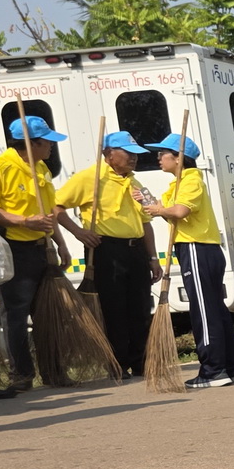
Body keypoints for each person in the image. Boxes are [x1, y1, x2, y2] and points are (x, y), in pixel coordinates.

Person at [141, 133, 234, 389]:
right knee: (215, 309)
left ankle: (213, 370)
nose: (158, 157)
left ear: (179, 158)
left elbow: (180, 211)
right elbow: (175, 217)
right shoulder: (177, 185)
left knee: (204, 311)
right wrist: (152, 204)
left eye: (163, 153)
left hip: (197, 249)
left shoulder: (190, 180)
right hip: (197, 248)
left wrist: (157, 209)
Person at [53, 130, 161, 378]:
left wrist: (152, 257)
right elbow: (56, 207)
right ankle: (117, 363)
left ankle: (141, 361)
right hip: (106, 249)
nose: (134, 159)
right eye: (128, 153)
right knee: (113, 309)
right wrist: (78, 231)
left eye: (136, 154)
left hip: (136, 250)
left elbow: (146, 222)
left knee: (141, 307)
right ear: (109, 154)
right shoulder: (90, 179)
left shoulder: (134, 182)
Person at [0, 115, 69, 390]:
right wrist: (25, 221)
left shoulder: (42, 168)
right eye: (47, 142)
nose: (51, 148)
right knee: (15, 314)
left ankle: (55, 372)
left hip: (42, 248)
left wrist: (59, 242)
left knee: (49, 313)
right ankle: (21, 375)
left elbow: (49, 213)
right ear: (30, 143)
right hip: (14, 247)